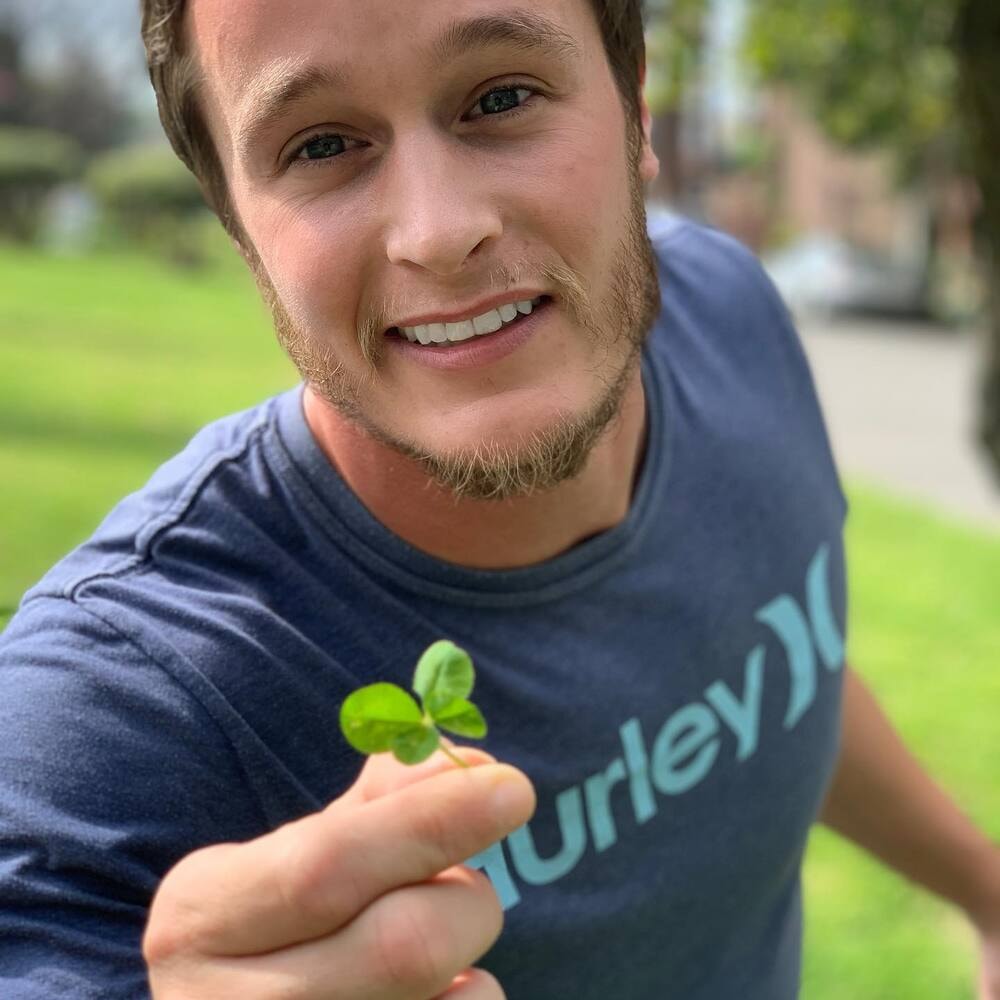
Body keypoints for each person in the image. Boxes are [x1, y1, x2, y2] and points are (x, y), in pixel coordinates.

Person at [0, 0, 998, 996]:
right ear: (238, 229)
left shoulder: (732, 319)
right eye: (321, 145)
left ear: (636, 112)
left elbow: (784, 658)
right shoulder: (109, 709)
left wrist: (982, 887)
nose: (439, 234)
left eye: (501, 96)